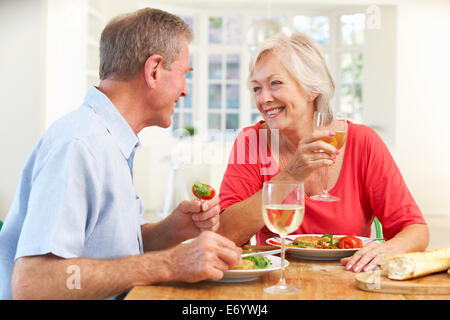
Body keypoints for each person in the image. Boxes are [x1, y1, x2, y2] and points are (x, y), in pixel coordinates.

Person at [0, 8, 241, 300]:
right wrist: (169, 263)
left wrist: (172, 230)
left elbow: (111, 251)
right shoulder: (80, 144)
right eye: (183, 75)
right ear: (153, 70)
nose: (185, 91)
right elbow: (35, 285)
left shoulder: (111, 141)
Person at [218, 32, 429, 273]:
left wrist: (390, 249)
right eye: (256, 88)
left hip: (348, 280)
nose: (263, 98)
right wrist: (290, 176)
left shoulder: (362, 142)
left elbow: (415, 229)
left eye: (275, 83)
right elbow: (225, 234)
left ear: (312, 89)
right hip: (276, 282)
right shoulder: (251, 141)